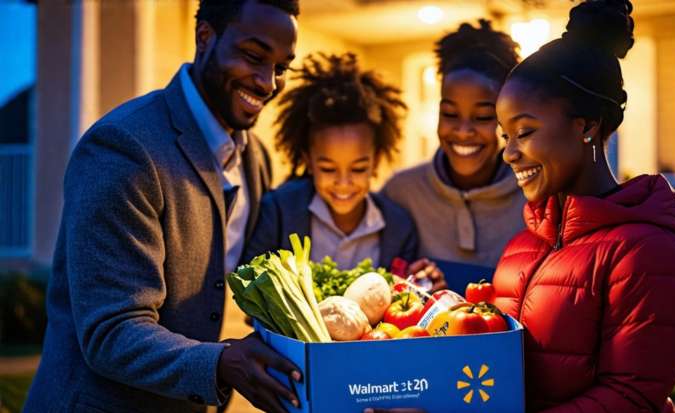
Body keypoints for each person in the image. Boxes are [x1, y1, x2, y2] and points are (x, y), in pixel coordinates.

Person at [24, 1, 304, 412]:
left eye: (281, 68)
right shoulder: (124, 147)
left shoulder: (254, 158)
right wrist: (222, 364)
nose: (267, 82)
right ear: (205, 37)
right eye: (253, 56)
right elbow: (112, 331)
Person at [493, 1, 675, 412]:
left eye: (524, 132)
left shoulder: (648, 252)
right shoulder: (521, 247)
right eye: (505, 136)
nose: (509, 154)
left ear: (586, 125)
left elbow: (631, 397)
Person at [243, 53, 421, 272]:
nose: (343, 183)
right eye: (328, 169)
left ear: (375, 162)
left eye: (358, 168)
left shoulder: (399, 226)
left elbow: (407, 294)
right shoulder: (279, 211)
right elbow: (250, 280)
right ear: (309, 161)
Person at [381, 20, 526, 269]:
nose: (463, 132)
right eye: (449, 114)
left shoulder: (533, 197)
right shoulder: (401, 194)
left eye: (482, 117)